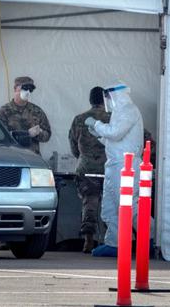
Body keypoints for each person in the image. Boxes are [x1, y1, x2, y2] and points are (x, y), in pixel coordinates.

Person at [84, 82, 143, 257]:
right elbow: (118, 141)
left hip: (126, 165)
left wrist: (96, 125)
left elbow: (116, 132)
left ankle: (149, 238)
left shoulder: (128, 110)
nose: (106, 100)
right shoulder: (120, 112)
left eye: (108, 96)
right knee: (111, 207)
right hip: (115, 164)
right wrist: (101, 136)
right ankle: (114, 244)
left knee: (129, 206)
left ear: (115, 95)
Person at [68, 87, 110, 253]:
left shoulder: (79, 119)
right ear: (105, 100)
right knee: (111, 205)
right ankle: (110, 239)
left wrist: (84, 156)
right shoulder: (112, 118)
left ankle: (88, 240)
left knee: (89, 203)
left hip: (86, 167)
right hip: (108, 167)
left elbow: (73, 146)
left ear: (90, 100)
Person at [0, 76, 51, 155]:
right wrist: (27, 134)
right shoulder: (4, 111)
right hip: (12, 156)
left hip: (33, 156)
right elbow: (0, 136)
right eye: (24, 88)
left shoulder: (37, 111)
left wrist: (39, 133)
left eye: (30, 89)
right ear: (15, 89)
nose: (27, 92)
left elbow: (47, 135)